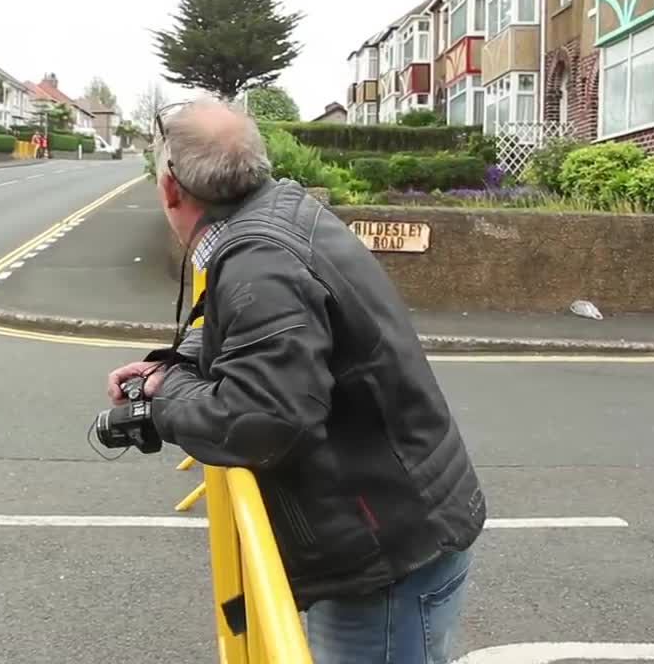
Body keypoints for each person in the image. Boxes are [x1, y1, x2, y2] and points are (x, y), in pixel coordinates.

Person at [105, 98, 485, 663]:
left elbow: (264, 422)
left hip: (384, 556)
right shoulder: (278, 213)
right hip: (398, 521)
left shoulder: (261, 261)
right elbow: (262, 327)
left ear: (169, 189)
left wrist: (163, 400)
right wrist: (178, 362)